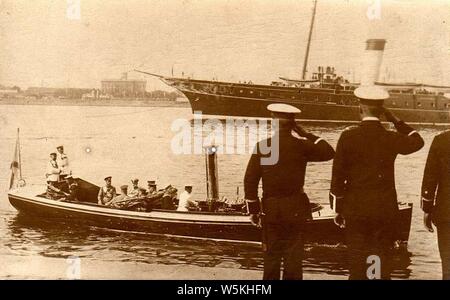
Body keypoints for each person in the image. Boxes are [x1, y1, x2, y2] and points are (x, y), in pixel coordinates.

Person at [330, 86, 424, 280]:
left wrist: (338, 209)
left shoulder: (348, 136)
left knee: (357, 262)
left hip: (355, 208)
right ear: (382, 111)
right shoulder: (390, 137)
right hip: (384, 209)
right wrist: (395, 120)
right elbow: (418, 141)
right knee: (380, 259)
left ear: (360, 107)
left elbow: (337, 176)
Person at [244, 103, 335, 280]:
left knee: (271, 257)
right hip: (296, 208)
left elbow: (250, 180)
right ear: (293, 124)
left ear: (273, 123)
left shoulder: (263, 146)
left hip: (271, 209)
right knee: (294, 259)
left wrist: (254, 211)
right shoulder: (302, 146)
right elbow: (329, 152)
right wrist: (305, 134)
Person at [421, 130, 450, 280]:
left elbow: (430, 177)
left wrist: (427, 208)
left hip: (447, 213)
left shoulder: (441, 140)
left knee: (448, 267)